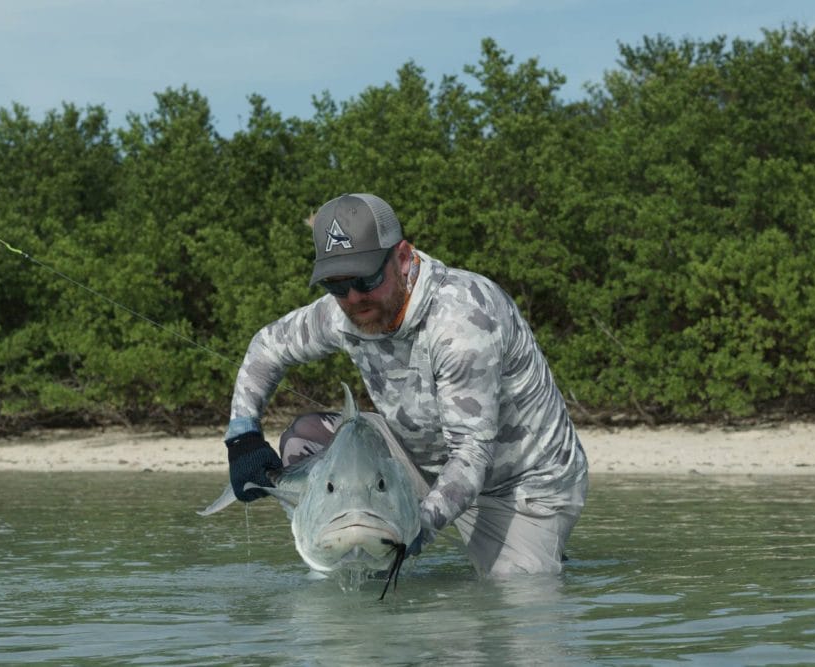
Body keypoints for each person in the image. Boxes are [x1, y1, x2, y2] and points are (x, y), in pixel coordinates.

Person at [224, 193, 589, 576]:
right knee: (307, 436)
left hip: (519, 485)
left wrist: (414, 529)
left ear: (401, 257)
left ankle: (538, 549)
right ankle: (340, 550)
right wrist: (242, 437)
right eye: (336, 284)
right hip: (417, 456)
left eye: (366, 279)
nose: (352, 298)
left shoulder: (461, 321)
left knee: (517, 602)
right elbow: (267, 347)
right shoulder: (342, 311)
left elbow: (470, 455)